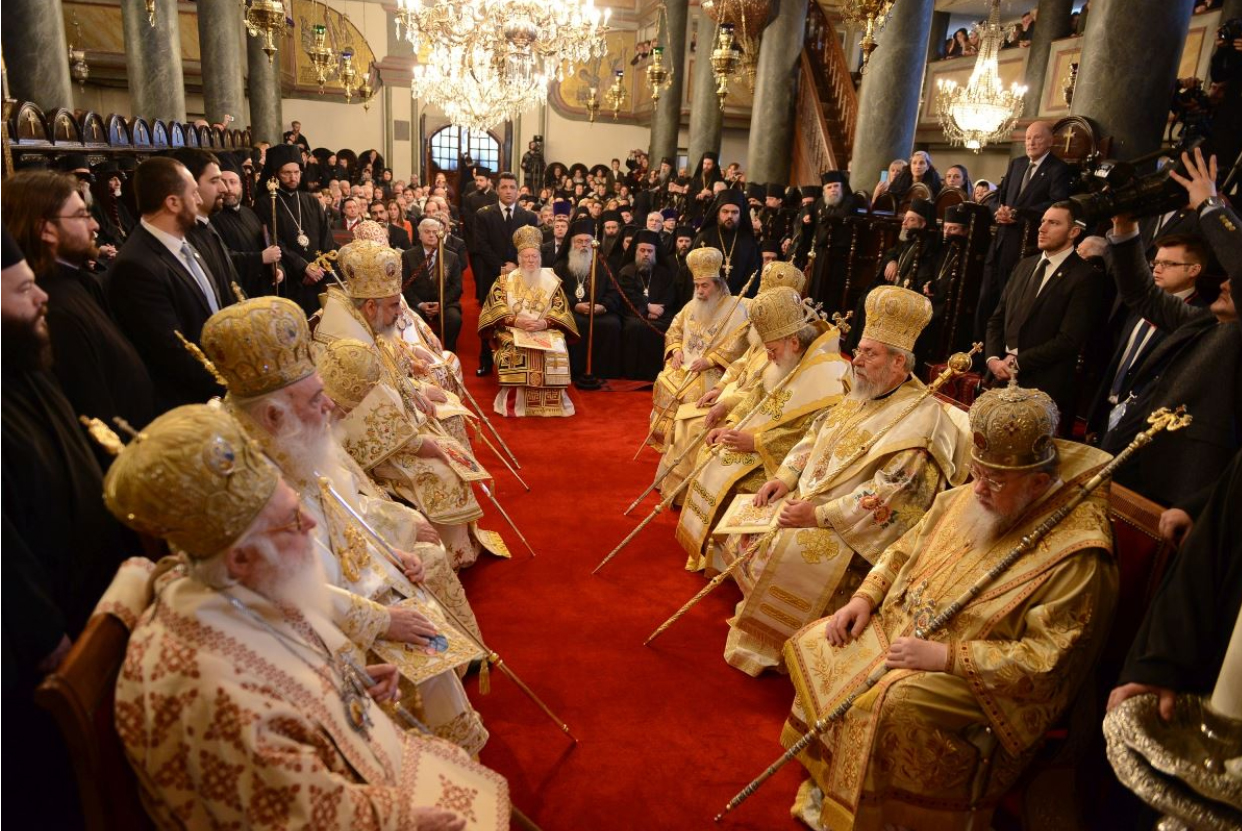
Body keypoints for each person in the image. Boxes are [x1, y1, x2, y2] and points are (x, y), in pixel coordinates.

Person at [97, 404, 508, 828]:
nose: (311, 523)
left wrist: (346, 679)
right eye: (292, 520)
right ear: (239, 557)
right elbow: (305, 818)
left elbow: (287, 661)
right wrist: (408, 819)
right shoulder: (217, 698)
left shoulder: (227, 584)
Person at [782, 383, 1115, 831]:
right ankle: (835, 786)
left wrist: (947, 658)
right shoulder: (975, 494)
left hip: (976, 683)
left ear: (1038, 481)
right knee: (820, 640)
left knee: (886, 703)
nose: (976, 489)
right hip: (900, 630)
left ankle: (881, 816)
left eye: (994, 482)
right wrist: (865, 597)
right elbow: (904, 547)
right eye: (976, 472)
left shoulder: (1078, 554)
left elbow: (1049, 661)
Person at [198, 298, 489, 748]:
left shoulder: (292, 438)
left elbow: (344, 508)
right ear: (274, 414)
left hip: (355, 580)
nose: (331, 405)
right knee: (415, 646)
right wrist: (378, 619)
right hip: (307, 632)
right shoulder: (244, 483)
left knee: (422, 589)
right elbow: (276, 592)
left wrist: (391, 552)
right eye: (317, 398)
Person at [719, 286, 970, 675]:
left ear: (899, 362)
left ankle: (781, 648)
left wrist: (818, 516)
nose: (857, 360)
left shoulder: (921, 424)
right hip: (805, 501)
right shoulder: (863, 390)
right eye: (860, 350)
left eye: (870, 354)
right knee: (748, 519)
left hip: (851, 534)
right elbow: (816, 432)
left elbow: (893, 499)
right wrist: (786, 477)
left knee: (776, 548)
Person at [1, 228, 134, 827]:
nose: (42, 297)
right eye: (25, 288)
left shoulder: (25, 361)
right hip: (42, 648)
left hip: (85, 595)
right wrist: (46, 637)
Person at [674, 286, 851, 575]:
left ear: (794, 342)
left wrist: (757, 441)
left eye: (772, 350)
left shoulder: (827, 374)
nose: (769, 357)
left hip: (787, 462)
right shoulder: (787, 357)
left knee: (735, 480)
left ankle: (726, 564)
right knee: (715, 452)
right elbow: (758, 395)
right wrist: (731, 425)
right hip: (759, 443)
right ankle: (707, 551)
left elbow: (815, 433)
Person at [1099, 148, 1239, 509]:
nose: (1223, 285)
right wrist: (1126, 227)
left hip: (1179, 488)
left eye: (1234, 284)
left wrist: (1211, 207)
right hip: (1136, 461)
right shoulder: (1205, 323)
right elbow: (1143, 295)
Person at [317, 337, 503, 569]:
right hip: (383, 456)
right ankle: (452, 555)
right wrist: (407, 525)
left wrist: (419, 391)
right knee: (441, 474)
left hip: (402, 431)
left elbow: (394, 379)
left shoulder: (369, 340)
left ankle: (457, 549)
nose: (344, 414)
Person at [107, 156, 230, 411]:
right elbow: (172, 350)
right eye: (193, 193)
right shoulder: (136, 265)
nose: (198, 201)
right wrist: (226, 385)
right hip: (191, 403)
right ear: (172, 202)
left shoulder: (186, 244)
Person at [986, 201, 1104, 428]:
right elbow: (997, 319)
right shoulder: (1024, 265)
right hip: (1000, 377)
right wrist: (992, 359)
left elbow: (1069, 340)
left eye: (1053, 223)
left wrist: (1018, 363)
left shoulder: (1086, 277)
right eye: (1042, 221)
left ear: (1074, 232)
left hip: (1042, 387)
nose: (1042, 228)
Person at [1086, 233, 1211, 440]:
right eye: (1156, 262)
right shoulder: (1139, 306)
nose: (1157, 269)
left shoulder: (1198, 320)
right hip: (1107, 415)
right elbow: (1118, 362)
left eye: (1169, 264)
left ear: (1194, 270)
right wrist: (1095, 417)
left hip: (1144, 424)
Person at [648, 247, 750, 496]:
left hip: (715, 372)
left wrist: (712, 360)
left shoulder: (735, 311)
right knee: (665, 380)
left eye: (705, 286)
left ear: (717, 284)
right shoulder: (690, 306)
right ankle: (668, 451)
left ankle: (682, 465)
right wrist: (674, 350)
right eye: (697, 286)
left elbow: (739, 344)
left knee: (690, 396)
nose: (700, 291)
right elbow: (675, 328)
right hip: (685, 365)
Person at [975, 121, 1072, 338]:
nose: (1031, 142)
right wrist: (998, 211)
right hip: (999, 242)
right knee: (986, 298)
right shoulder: (1017, 164)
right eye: (1028, 138)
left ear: (1050, 141)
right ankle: (976, 352)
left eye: (1037, 137)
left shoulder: (1058, 169)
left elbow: (1057, 204)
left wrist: (1018, 213)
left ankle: (998, 351)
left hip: (1025, 244)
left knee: (1008, 301)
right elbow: (998, 195)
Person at [478, 225, 580, 416]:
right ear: (519, 259)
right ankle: (514, 403)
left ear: (540, 258)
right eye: (526, 256)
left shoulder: (551, 280)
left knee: (558, 346)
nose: (530, 260)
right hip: (513, 329)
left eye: (534, 256)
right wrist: (515, 322)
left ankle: (553, 403)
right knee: (514, 348)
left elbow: (561, 308)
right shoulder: (503, 281)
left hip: (545, 329)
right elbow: (495, 308)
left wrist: (545, 323)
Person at [254, 143, 338, 316]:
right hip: (290, 282)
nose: (293, 177)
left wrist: (317, 267)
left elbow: (326, 239)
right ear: (276, 173)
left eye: (296, 172)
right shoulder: (266, 203)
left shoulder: (312, 201)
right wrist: (303, 268)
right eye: (287, 173)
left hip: (318, 280)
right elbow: (274, 241)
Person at [471, 173, 538, 376]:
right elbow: (481, 245)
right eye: (504, 187)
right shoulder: (484, 215)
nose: (508, 191)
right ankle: (485, 361)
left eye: (512, 187)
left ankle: (517, 360)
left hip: (520, 276)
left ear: (518, 191)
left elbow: (531, 246)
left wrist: (516, 266)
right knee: (489, 317)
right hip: (491, 274)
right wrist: (501, 266)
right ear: (497, 190)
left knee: (518, 315)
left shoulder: (528, 217)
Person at [552, 218, 623, 382]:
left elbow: (614, 292)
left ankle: (603, 372)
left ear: (594, 243)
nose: (584, 245)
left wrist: (603, 306)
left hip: (598, 310)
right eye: (579, 241)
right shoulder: (561, 266)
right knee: (575, 324)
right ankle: (573, 371)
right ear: (572, 243)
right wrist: (575, 305)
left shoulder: (603, 264)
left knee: (613, 324)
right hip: (569, 310)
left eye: (588, 241)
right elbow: (555, 293)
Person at [212, 152, 283, 298]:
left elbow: (267, 246)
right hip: (239, 295)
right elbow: (221, 259)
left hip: (264, 291)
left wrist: (278, 269)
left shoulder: (250, 213)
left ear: (241, 185)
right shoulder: (212, 219)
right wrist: (259, 258)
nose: (228, 189)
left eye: (233, 182)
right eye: (222, 182)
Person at [618, 229, 680, 381]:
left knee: (668, 326)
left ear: (655, 253)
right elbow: (627, 295)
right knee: (635, 327)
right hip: (634, 312)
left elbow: (671, 293)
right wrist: (647, 307)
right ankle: (634, 374)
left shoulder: (664, 273)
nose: (646, 254)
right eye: (643, 250)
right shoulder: (627, 271)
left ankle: (658, 373)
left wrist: (660, 308)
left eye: (650, 251)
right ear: (636, 251)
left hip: (661, 313)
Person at [402, 217, 463, 352]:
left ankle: (448, 351)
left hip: (445, 303)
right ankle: (422, 352)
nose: (431, 235)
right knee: (412, 319)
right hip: (418, 303)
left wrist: (441, 304)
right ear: (420, 235)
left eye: (434, 232)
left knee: (454, 319)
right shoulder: (408, 256)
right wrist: (420, 305)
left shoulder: (451, 257)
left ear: (440, 234)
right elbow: (405, 286)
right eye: (427, 231)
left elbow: (457, 287)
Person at [692, 190, 763, 297]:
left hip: (738, 303)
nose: (730, 216)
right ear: (718, 213)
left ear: (741, 214)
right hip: (708, 298)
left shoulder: (748, 241)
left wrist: (735, 298)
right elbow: (694, 270)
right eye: (725, 211)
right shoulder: (705, 237)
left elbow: (753, 275)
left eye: (734, 212)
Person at [810, 171, 855, 311]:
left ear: (842, 188)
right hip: (820, 251)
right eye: (829, 187)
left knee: (831, 289)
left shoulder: (849, 201)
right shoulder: (820, 203)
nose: (833, 190)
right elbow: (808, 210)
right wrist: (806, 213)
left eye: (836, 186)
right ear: (824, 191)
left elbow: (840, 216)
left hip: (838, 253)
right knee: (816, 286)